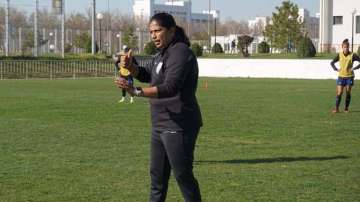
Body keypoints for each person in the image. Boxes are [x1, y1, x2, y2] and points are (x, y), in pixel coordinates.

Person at [115, 12, 202, 202]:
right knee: (157, 180)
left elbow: (171, 87)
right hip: (160, 124)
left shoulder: (180, 52)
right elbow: (148, 75)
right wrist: (132, 68)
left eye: (158, 30)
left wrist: (137, 92)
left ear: (171, 30)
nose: (154, 35)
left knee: (183, 177)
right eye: (151, 31)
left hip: (179, 125)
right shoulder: (161, 53)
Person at [330, 39, 360, 113]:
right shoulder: (339, 55)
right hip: (341, 76)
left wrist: (354, 68)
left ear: (349, 47)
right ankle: (336, 108)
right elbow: (332, 63)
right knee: (339, 92)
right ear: (342, 47)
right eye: (344, 47)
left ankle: (346, 108)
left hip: (349, 76)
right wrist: (336, 69)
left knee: (348, 92)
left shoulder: (353, 55)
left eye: (347, 47)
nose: (346, 48)